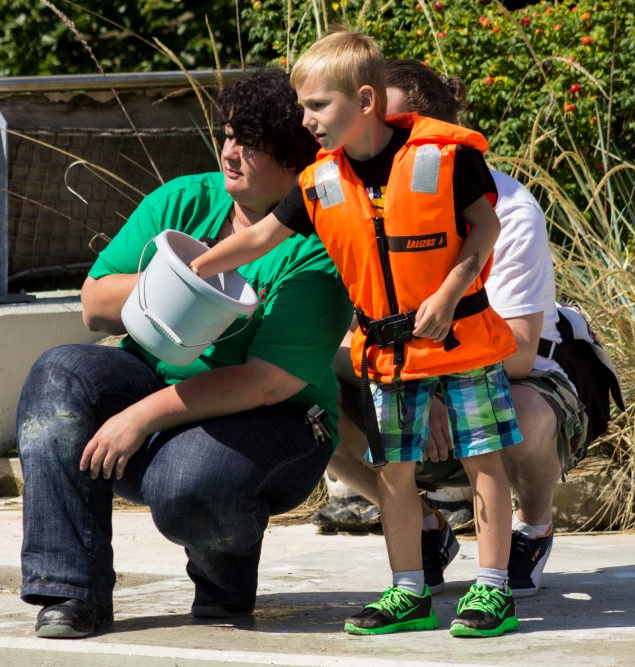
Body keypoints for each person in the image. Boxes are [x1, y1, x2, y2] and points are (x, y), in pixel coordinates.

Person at [190, 32, 523, 638]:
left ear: (364, 99)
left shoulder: (447, 157)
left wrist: (449, 293)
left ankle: (493, 588)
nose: (307, 120)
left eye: (318, 106)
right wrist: (198, 266)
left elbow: (485, 228)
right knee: (395, 471)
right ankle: (408, 591)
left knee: (483, 461)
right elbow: (263, 236)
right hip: (388, 351)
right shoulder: (321, 181)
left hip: (459, 338)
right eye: (303, 107)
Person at [16, 67, 353, 639]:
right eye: (228, 134)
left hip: (279, 420)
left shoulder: (316, 250)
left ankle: (223, 583)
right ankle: (72, 594)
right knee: (59, 375)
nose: (232, 152)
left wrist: (140, 416)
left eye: (252, 145)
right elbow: (95, 305)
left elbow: (265, 382)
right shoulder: (182, 200)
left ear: (296, 164)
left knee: (189, 479)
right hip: (159, 387)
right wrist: (173, 282)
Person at [319, 58, 589, 602]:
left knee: (525, 413)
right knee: (305, 401)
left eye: (388, 123)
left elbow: (517, 348)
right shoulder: (341, 192)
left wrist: (433, 373)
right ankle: (425, 529)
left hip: (518, 372)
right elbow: (336, 333)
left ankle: (531, 529)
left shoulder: (507, 207)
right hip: (402, 370)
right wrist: (410, 375)